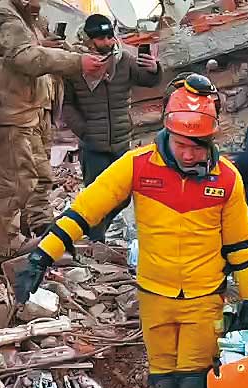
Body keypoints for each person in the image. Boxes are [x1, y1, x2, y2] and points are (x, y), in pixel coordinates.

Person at [14, 75, 248, 388]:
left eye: (198, 145)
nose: (190, 153)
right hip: (154, 295)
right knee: (165, 386)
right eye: (184, 143)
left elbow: (240, 245)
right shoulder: (138, 166)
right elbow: (87, 208)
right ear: (168, 130)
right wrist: (42, 256)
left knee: (196, 385)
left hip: (204, 297)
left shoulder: (227, 180)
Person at [0, 0, 106, 261]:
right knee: (17, 178)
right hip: (7, 108)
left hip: (20, 107)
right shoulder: (1, 14)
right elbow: (24, 58)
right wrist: (75, 62)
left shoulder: (21, 13)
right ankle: (7, 245)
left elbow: (27, 51)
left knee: (15, 175)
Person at [61, 14, 162, 242]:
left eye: (109, 37)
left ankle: (94, 232)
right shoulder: (76, 65)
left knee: (123, 196)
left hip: (120, 142)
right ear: (88, 40)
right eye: (100, 38)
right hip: (93, 145)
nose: (107, 43)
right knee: (96, 198)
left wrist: (154, 69)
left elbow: (147, 80)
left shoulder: (123, 60)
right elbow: (66, 104)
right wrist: (84, 131)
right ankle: (96, 244)